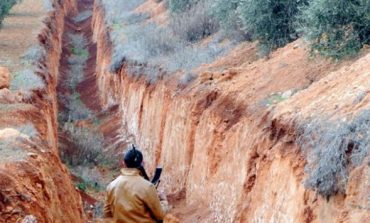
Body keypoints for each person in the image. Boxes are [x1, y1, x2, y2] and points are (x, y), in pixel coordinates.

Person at [103, 145, 167, 223]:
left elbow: (107, 214)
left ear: (123, 163)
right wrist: (163, 199)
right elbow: (160, 215)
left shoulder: (111, 186)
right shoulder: (147, 187)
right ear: (142, 163)